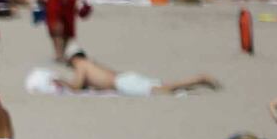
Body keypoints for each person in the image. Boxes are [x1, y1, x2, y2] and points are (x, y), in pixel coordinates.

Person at [44, 51, 219, 96]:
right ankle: (195, 82)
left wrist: (61, 81)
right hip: (125, 77)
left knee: (165, 90)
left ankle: (199, 79)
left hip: (122, 83)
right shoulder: (91, 63)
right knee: (165, 86)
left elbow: (76, 87)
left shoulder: (80, 65)